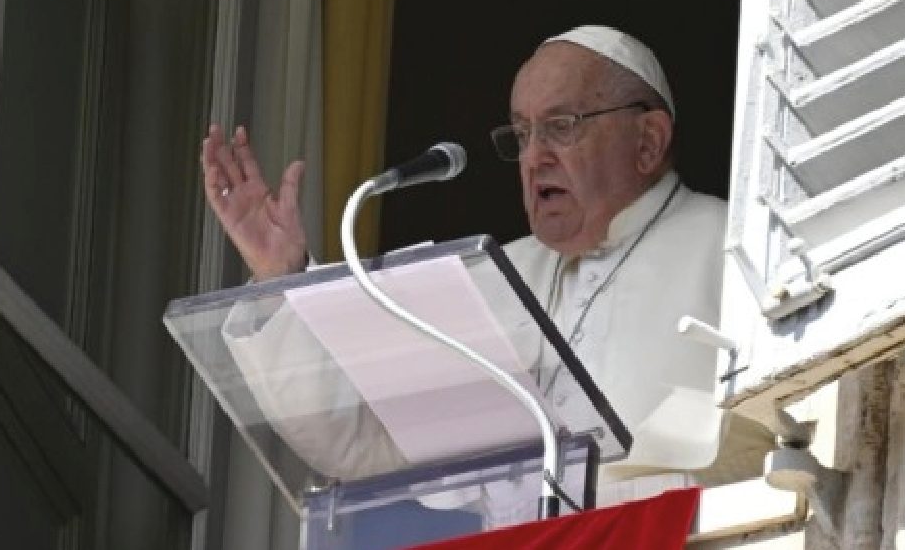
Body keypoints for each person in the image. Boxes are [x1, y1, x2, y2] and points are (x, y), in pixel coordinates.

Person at [201, 25, 769, 501]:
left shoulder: (736, 251)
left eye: (561, 126)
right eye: (522, 133)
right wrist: (280, 278)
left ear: (648, 140)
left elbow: (776, 436)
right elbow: (363, 442)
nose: (534, 157)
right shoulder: (493, 278)